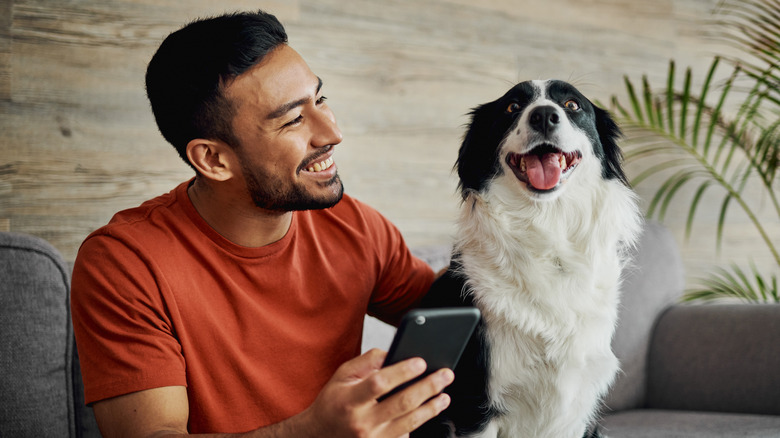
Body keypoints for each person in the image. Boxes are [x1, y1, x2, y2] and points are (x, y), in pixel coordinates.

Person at [70, 10, 453, 438]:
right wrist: (312, 431)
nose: (332, 132)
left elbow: (459, 313)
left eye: (320, 99)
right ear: (214, 159)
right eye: (293, 119)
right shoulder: (125, 263)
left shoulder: (355, 226)